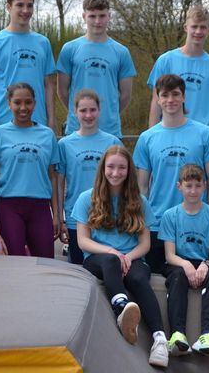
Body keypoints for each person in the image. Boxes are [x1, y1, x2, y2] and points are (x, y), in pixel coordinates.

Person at [72, 145, 169, 368]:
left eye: (122, 168)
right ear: (103, 169)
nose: (116, 173)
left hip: (132, 258)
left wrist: (127, 257)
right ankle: (121, 309)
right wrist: (112, 252)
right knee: (110, 261)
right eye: (111, 167)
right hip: (99, 258)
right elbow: (83, 241)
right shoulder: (87, 198)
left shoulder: (140, 201)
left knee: (137, 279)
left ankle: (160, 340)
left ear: (129, 171)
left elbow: (145, 243)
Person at [133, 74, 209, 273]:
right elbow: (142, 186)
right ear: (157, 99)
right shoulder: (147, 138)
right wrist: (142, 221)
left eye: (175, 94)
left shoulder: (204, 133)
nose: (170, 100)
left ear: (184, 97)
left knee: (202, 280)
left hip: (197, 221)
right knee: (160, 282)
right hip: (158, 222)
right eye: (164, 95)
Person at [158, 164, 209, 357]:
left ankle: (207, 335)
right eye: (188, 186)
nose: (193, 191)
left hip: (204, 261)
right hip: (179, 262)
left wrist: (205, 265)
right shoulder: (170, 216)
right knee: (178, 275)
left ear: (204, 186)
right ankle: (177, 334)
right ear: (179, 186)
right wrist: (186, 264)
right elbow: (169, 255)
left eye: (198, 186)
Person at [0, 83, 60, 257]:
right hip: (9, 206)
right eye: (17, 102)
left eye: (28, 102)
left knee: (45, 262)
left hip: (40, 207)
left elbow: (53, 177)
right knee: (14, 261)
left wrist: (56, 214)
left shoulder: (47, 135)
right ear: (9, 104)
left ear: (35, 103)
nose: (23, 108)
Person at [147, 5, 209, 145]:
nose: (198, 31)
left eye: (203, 27)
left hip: (202, 140)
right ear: (186, 27)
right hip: (169, 135)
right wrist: (151, 138)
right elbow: (156, 102)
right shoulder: (165, 61)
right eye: (194, 26)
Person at [57, 0, 136, 137]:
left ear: (109, 16)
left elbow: (125, 95)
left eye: (102, 16)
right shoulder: (69, 49)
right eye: (92, 16)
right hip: (76, 129)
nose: (97, 21)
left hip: (110, 130)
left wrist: (108, 113)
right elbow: (62, 91)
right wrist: (78, 112)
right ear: (84, 16)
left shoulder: (121, 52)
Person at [0, 0, 56, 132]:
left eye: (30, 6)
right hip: (3, 124)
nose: (25, 11)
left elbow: (49, 86)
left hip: (38, 123)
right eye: (20, 5)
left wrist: (52, 120)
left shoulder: (43, 43)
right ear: (8, 7)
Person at [57, 89, 122, 264]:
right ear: (75, 112)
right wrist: (59, 218)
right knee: (79, 271)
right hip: (76, 218)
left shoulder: (112, 142)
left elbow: (123, 180)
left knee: (107, 269)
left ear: (99, 111)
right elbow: (59, 184)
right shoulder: (64, 144)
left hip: (107, 217)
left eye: (92, 110)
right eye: (83, 110)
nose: (88, 115)